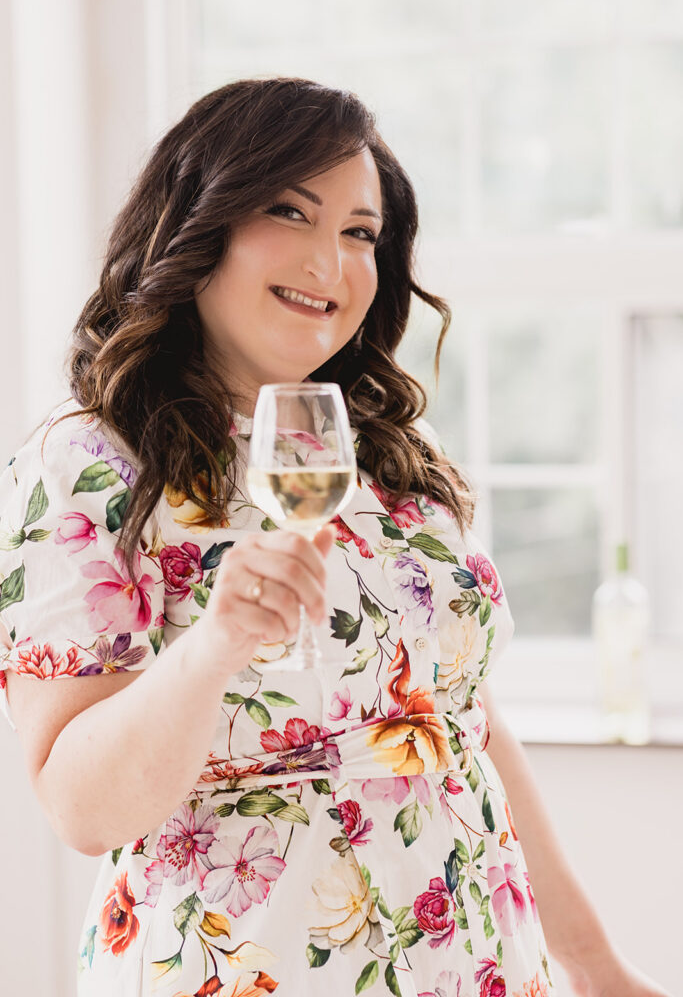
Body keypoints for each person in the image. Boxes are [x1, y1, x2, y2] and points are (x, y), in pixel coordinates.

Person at [0, 77, 670, 997]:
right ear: (200, 225)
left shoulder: (395, 454)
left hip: (474, 962)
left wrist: (596, 968)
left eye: (360, 232)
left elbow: (458, 720)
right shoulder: (88, 463)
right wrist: (219, 644)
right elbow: (81, 807)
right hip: (249, 969)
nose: (332, 260)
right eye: (289, 211)